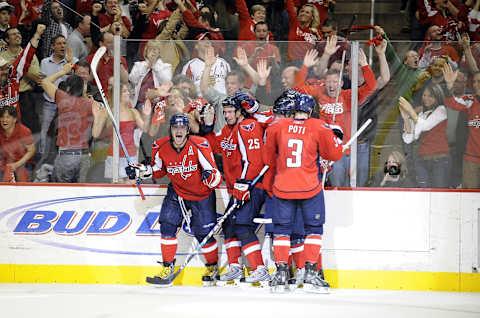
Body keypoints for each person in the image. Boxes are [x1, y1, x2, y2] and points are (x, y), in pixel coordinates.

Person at [126, 113, 223, 287]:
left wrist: (210, 177)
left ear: (187, 130)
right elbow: (158, 170)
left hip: (202, 194)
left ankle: (211, 267)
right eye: (175, 127)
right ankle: (167, 268)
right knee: (167, 225)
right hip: (177, 192)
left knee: (203, 234)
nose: (179, 131)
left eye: (182, 128)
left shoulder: (199, 144)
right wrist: (139, 171)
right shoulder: (161, 146)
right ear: (171, 130)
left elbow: (214, 174)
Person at [263, 93, 343, 293]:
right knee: (313, 229)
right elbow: (334, 154)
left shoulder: (277, 126)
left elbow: (267, 158)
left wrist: (282, 170)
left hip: (282, 187)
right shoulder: (318, 126)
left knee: (281, 230)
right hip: (309, 188)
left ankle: (281, 274)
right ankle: (310, 273)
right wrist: (334, 139)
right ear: (310, 111)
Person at [205, 91, 270, 286]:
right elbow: (214, 146)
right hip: (237, 188)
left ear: (241, 110)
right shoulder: (227, 130)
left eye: (231, 111)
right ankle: (235, 267)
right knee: (229, 225)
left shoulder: (248, 125)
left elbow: (255, 160)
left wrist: (244, 183)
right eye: (225, 112)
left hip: (252, 186)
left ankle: (260, 269)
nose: (227, 116)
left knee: (242, 224)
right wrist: (207, 127)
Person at [40, 62, 104, 183]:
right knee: (81, 192)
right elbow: (103, 111)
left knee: (62, 191)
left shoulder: (63, 98)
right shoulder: (91, 104)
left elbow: (45, 82)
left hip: (66, 154)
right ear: (82, 88)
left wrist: (62, 72)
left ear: (68, 88)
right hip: (85, 155)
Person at [92, 83, 151, 183]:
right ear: (117, 94)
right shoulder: (108, 112)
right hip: (114, 156)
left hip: (131, 156)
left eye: (128, 91)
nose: (128, 93)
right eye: (124, 91)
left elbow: (145, 129)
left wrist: (147, 116)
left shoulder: (133, 112)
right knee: (117, 187)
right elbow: (95, 134)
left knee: (131, 186)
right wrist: (97, 117)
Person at [399, 82, 450, 188]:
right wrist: (406, 118)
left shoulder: (441, 110)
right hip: (422, 161)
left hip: (439, 161)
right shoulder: (422, 114)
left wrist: (411, 111)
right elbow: (409, 138)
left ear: (437, 96)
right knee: (423, 194)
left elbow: (426, 126)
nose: (426, 98)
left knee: (439, 195)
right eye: (424, 95)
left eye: (430, 96)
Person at [443, 64, 480, 188]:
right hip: (471, 157)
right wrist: (449, 86)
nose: (475, 84)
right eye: (474, 82)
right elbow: (453, 103)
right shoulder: (470, 100)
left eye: (479, 81)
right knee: (469, 194)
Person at [0, 23, 45, 122]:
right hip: (5, 101)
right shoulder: (1, 56)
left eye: (19, 33)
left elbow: (38, 78)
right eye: (13, 34)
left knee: (30, 131)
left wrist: (19, 68)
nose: (18, 35)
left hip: (26, 97)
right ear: (7, 39)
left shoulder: (15, 75)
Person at [0, 106, 35, 182]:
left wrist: (16, 164)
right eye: (2, 117)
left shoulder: (24, 131)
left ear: (15, 119)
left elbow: (31, 151)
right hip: (5, 164)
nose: (4, 120)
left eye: (8, 117)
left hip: (23, 163)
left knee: (23, 187)